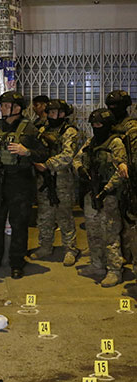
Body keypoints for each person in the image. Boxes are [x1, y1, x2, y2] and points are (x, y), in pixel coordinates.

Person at [0, 91, 48, 280]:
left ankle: (17, 263)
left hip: (20, 181)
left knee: (19, 224)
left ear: (18, 108)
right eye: (3, 105)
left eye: (8, 106)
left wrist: (27, 151)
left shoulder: (30, 129)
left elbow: (43, 153)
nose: (4, 109)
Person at [73, 108, 126, 288]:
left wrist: (106, 189)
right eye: (93, 124)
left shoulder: (116, 143)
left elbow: (121, 170)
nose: (96, 127)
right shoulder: (92, 141)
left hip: (109, 195)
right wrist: (80, 169)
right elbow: (77, 159)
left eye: (99, 124)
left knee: (110, 234)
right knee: (93, 231)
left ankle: (114, 270)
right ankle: (97, 265)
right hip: (92, 193)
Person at [31, 99, 79, 266]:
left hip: (62, 179)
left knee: (64, 216)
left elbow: (68, 155)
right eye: (50, 112)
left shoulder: (69, 131)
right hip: (44, 179)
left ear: (63, 114)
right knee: (45, 215)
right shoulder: (42, 129)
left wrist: (47, 164)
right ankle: (45, 246)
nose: (51, 116)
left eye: (55, 113)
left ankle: (70, 249)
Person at [105, 90, 137, 290]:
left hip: (128, 182)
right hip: (111, 183)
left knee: (131, 228)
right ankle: (117, 263)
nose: (112, 109)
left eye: (115, 106)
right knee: (112, 225)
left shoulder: (131, 127)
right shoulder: (109, 125)